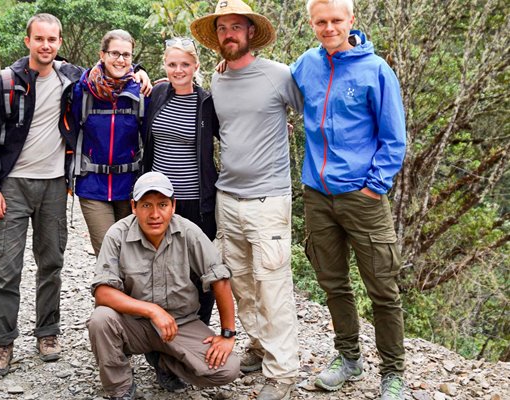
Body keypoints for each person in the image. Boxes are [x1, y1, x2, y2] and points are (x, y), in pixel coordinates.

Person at [289, 1, 407, 399]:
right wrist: (227, 68)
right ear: (311, 23)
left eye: (336, 20)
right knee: (334, 284)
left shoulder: (376, 70)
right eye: (320, 21)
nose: (328, 28)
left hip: (363, 197)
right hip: (317, 195)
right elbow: (271, 85)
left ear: (351, 20)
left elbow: (394, 138)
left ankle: (393, 374)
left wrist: (374, 186)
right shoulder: (306, 64)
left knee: (383, 290)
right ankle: (349, 359)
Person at [190, 1, 304, 399]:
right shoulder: (217, 79)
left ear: (251, 32)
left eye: (237, 27)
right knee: (241, 284)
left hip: (268, 200)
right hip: (228, 196)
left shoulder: (278, 75)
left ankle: (283, 372)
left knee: (273, 285)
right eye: (223, 28)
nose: (229, 34)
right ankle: (258, 346)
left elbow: (311, 111)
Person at [0, 13, 83, 376]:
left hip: (55, 185)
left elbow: (112, 70)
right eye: (39, 39)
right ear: (28, 41)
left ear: (60, 44)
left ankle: (47, 333)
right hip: (13, 185)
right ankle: (1, 343)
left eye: (52, 39)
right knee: (6, 268)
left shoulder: (72, 78)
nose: (46, 45)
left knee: (51, 264)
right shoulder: (6, 82)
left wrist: (143, 71)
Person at [86, 172, 240, 400]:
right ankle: (120, 388)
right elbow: (102, 292)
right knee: (100, 320)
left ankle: (164, 361)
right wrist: (152, 310)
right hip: (134, 325)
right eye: (146, 205)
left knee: (227, 368)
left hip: (181, 324)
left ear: (173, 206)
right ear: (133, 206)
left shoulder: (189, 232)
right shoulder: (117, 234)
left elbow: (220, 279)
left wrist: (228, 335)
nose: (155, 214)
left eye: (162, 204)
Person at [142, 37, 219, 325]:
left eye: (185, 64)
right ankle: (166, 336)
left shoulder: (207, 102)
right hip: (158, 201)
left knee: (200, 269)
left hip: (196, 201)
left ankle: (199, 330)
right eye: (172, 64)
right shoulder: (158, 94)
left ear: (196, 66)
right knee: (160, 268)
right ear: (165, 65)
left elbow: (234, 132)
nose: (178, 70)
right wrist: (137, 67)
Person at [72, 29, 149, 256]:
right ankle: (109, 291)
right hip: (93, 186)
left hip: (129, 187)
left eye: (127, 55)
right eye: (115, 53)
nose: (121, 60)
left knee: (132, 254)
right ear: (102, 55)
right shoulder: (83, 90)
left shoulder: (140, 92)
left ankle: (128, 293)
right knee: (107, 254)